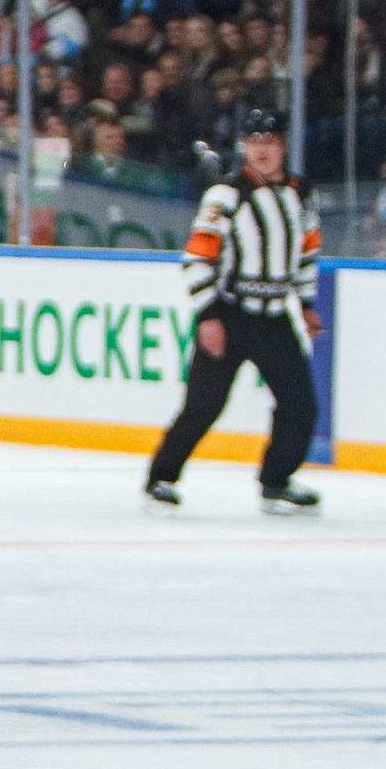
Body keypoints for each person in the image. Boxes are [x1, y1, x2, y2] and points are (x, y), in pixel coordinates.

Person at [144, 108, 324, 514]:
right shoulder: (226, 194)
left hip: (275, 318)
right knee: (204, 405)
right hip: (229, 316)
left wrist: (307, 304)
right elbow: (196, 258)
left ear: (284, 146)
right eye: (254, 142)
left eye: (270, 142)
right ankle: (161, 477)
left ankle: (276, 480)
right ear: (244, 147)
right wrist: (209, 315)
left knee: (300, 404)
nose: (262, 151)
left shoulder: (301, 193)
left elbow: (308, 252)